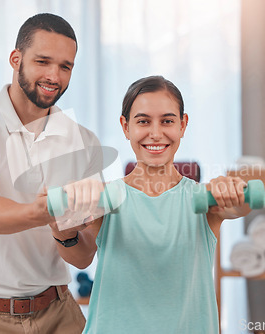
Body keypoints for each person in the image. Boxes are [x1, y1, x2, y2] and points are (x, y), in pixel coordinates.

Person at [0, 13, 104, 333]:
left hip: (58, 311)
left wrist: (63, 232)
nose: (54, 75)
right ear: (16, 59)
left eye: (65, 66)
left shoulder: (82, 141)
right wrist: (46, 210)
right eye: (43, 61)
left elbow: (83, 258)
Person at [62, 75, 252, 333]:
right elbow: (78, 256)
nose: (155, 133)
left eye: (167, 121)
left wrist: (234, 190)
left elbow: (239, 207)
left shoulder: (203, 200)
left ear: (183, 125)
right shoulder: (106, 198)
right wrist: (59, 228)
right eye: (143, 121)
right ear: (125, 126)